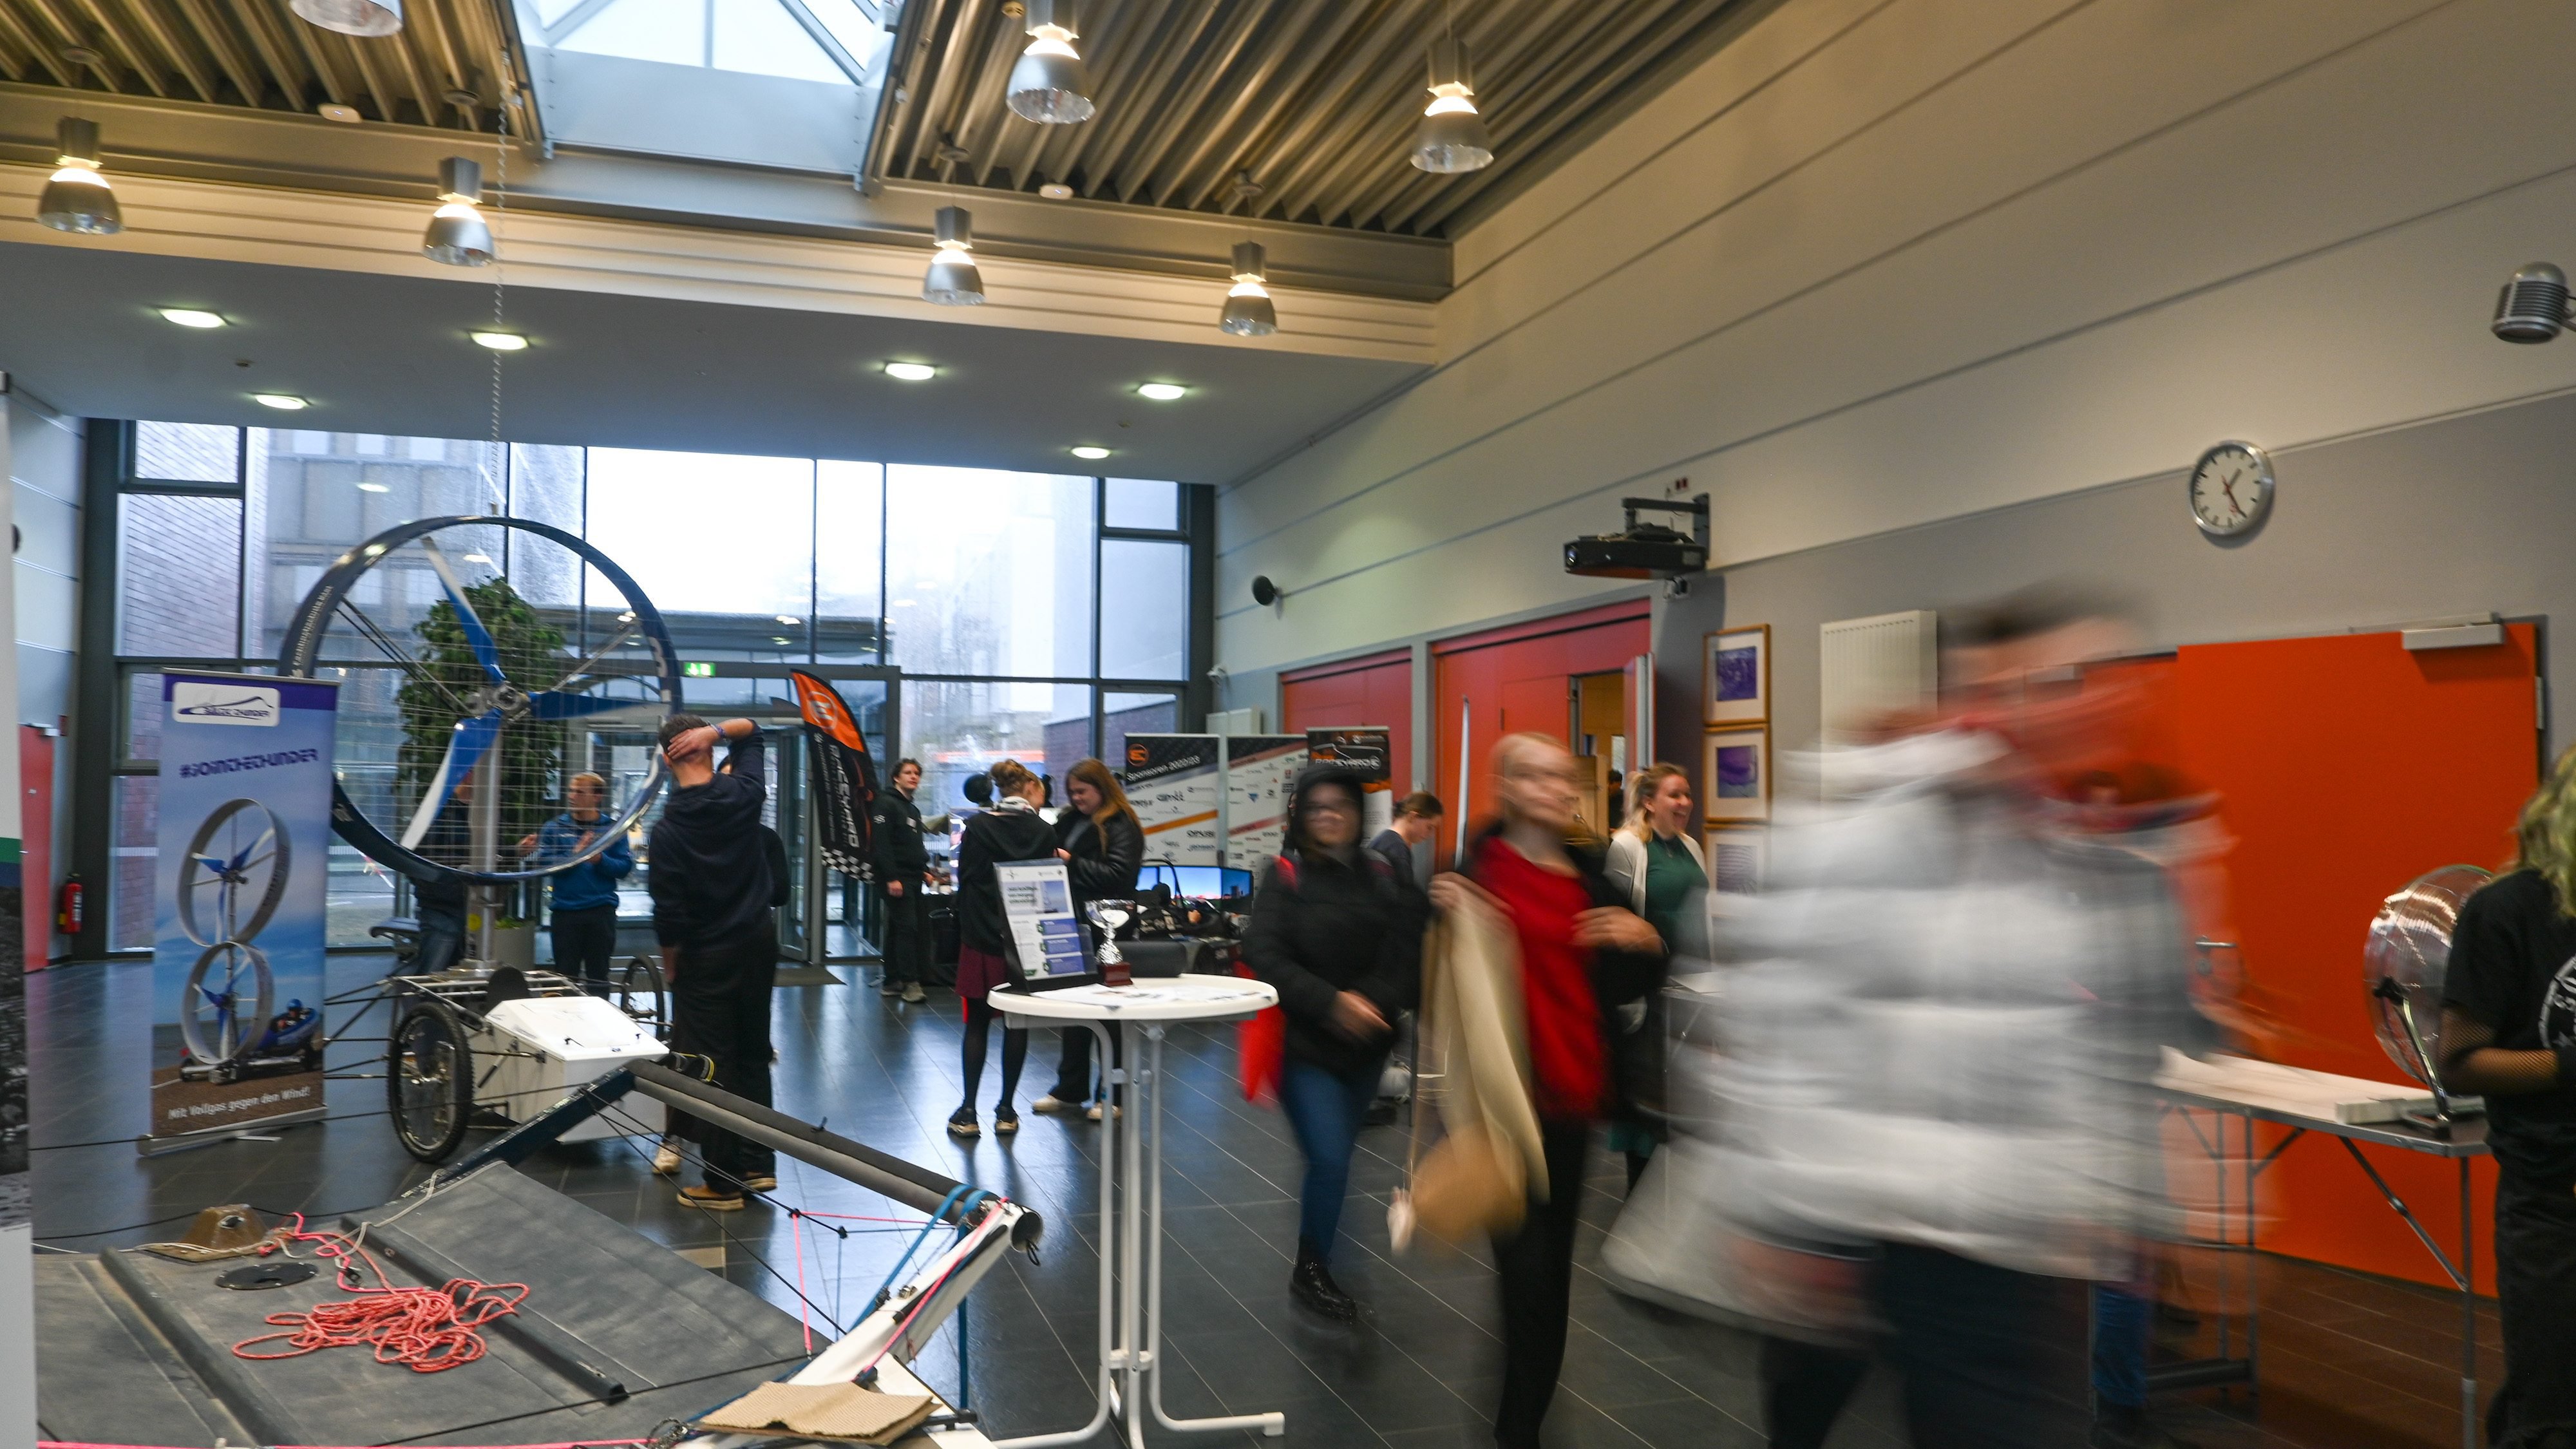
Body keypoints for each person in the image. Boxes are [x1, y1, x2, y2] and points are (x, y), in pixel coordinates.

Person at [1718, 587, 2187, 1449]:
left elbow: (2083, 1042)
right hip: (1895, 1225)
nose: (2111, 700)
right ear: (2004, 689)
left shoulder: (2069, 848)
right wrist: (1795, 1220)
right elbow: (1792, 1025)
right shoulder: (1870, 830)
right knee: (1819, 1405)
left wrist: (2120, 1194)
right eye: (2075, 677)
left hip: (2011, 1239)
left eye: (2122, 677)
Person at [1428, 734, 1663, 1449]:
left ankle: (1519, 1420)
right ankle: (1516, 1430)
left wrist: (1646, 943)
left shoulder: (1592, 879)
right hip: (1504, 1106)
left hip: (1576, 1097)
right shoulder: (1476, 874)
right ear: (1505, 785)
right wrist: (1437, 913)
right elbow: (1433, 980)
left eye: (1562, 778)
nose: (1553, 789)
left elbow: (1627, 980)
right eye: (1533, 776)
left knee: (1549, 1279)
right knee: (1527, 1275)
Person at [1245, 760, 1424, 1324]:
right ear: (1301, 815)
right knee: (1327, 1156)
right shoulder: (1285, 876)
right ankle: (1312, 1266)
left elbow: (1407, 953)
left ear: (1357, 813)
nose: (1329, 816)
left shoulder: (1383, 877)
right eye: (1317, 807)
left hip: (1366, 1047)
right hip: (1305, 1049)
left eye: (1339, 806)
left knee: (1338, 1158)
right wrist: (1332, 1003)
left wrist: (1371, 1000)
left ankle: (1324, 1246)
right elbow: (1265, 954)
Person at [2441, 743, 2576, 1449]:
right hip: (2553, 1199)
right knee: (2551, 1407)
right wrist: (2565, 1068)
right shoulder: (2505, 912)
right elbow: (2459, 1064)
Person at [649, 712, 779, 1209]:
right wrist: (719, 732)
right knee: (752, 1052)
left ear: (667, 759)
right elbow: (754, 731)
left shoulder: (669, 830)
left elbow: (670, 914)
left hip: (705, 954)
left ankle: (724, 1183)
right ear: (703, 747)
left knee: (712, 1062)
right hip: (757, 944)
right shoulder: (744, 796)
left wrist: (671, 964)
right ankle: (759, 1164)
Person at [1600, 762, 1703, 1187]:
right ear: (1649, 802)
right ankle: (1638, 1187)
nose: (1684, 803)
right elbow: (1614, 919)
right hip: (1648, 989)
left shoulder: (1691, 847)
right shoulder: (1627, 847)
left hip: (1688, 985)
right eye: (1674, 795)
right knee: (1646, 1088)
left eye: (1687, 795)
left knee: (1680, 1089)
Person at [950, 758, 1059, 1139]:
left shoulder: (978, 827)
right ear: (1027, 789)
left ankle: (967, 1111)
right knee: (1018, 1023)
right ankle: (1007, 1110)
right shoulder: (1043, 831)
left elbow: (967, 880)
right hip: (1025, 939)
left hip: (981, 937)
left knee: (977, 1023)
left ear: (997, 789)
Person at [1033, 759, 1144, 1120]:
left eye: (1082, 792)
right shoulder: (1069, 819)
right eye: (1072, 792)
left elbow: (1120, 875)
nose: (1076, 798)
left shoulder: (1122, 824)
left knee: (1110, 1012)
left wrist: (1071, 862)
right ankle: (1072, 1087)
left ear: (1101, 788)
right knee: (1076, 1007)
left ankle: (1114, 1093)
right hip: (1073, 923)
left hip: (1110, 928)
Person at [516, 772, 632, 994]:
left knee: (598, 977)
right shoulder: (555, 827)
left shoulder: (612, 830)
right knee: (564, 977)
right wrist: (575, 855)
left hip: (601, 912)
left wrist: (600, 860)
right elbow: (545, 864)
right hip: (566, 914)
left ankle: (600, 1024)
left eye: (579, 792)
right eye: (571, 791)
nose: (572, 796)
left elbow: (625, 868)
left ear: (597, 797)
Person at [872, 758, 931, 1004]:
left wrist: (924, 869)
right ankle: (910, 983)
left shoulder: (912, 809)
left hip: (913, 877)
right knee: (908, 928)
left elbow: (913, 845)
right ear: (896, 777)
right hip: (896, 878)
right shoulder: (885, 804)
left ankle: (891, 980)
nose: (913, 777)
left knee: (898, 929)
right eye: (908, 773)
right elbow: (881, 844)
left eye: (917, 773)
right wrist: (892, 877)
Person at [408, 777, 475, 976]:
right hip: (441, 910)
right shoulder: (437, 810)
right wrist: (447, 885)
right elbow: (415, 860)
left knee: (461, 985)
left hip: (474, 910)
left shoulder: (485, 811)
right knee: (432, 980)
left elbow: (492, 855)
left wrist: (515, 852)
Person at [1368, 790, 1443, 887]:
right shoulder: (1397, 850)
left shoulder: (1383, 840)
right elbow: (1400, 898)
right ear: (1413, 817)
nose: (1431, 834)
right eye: (1429, 827)